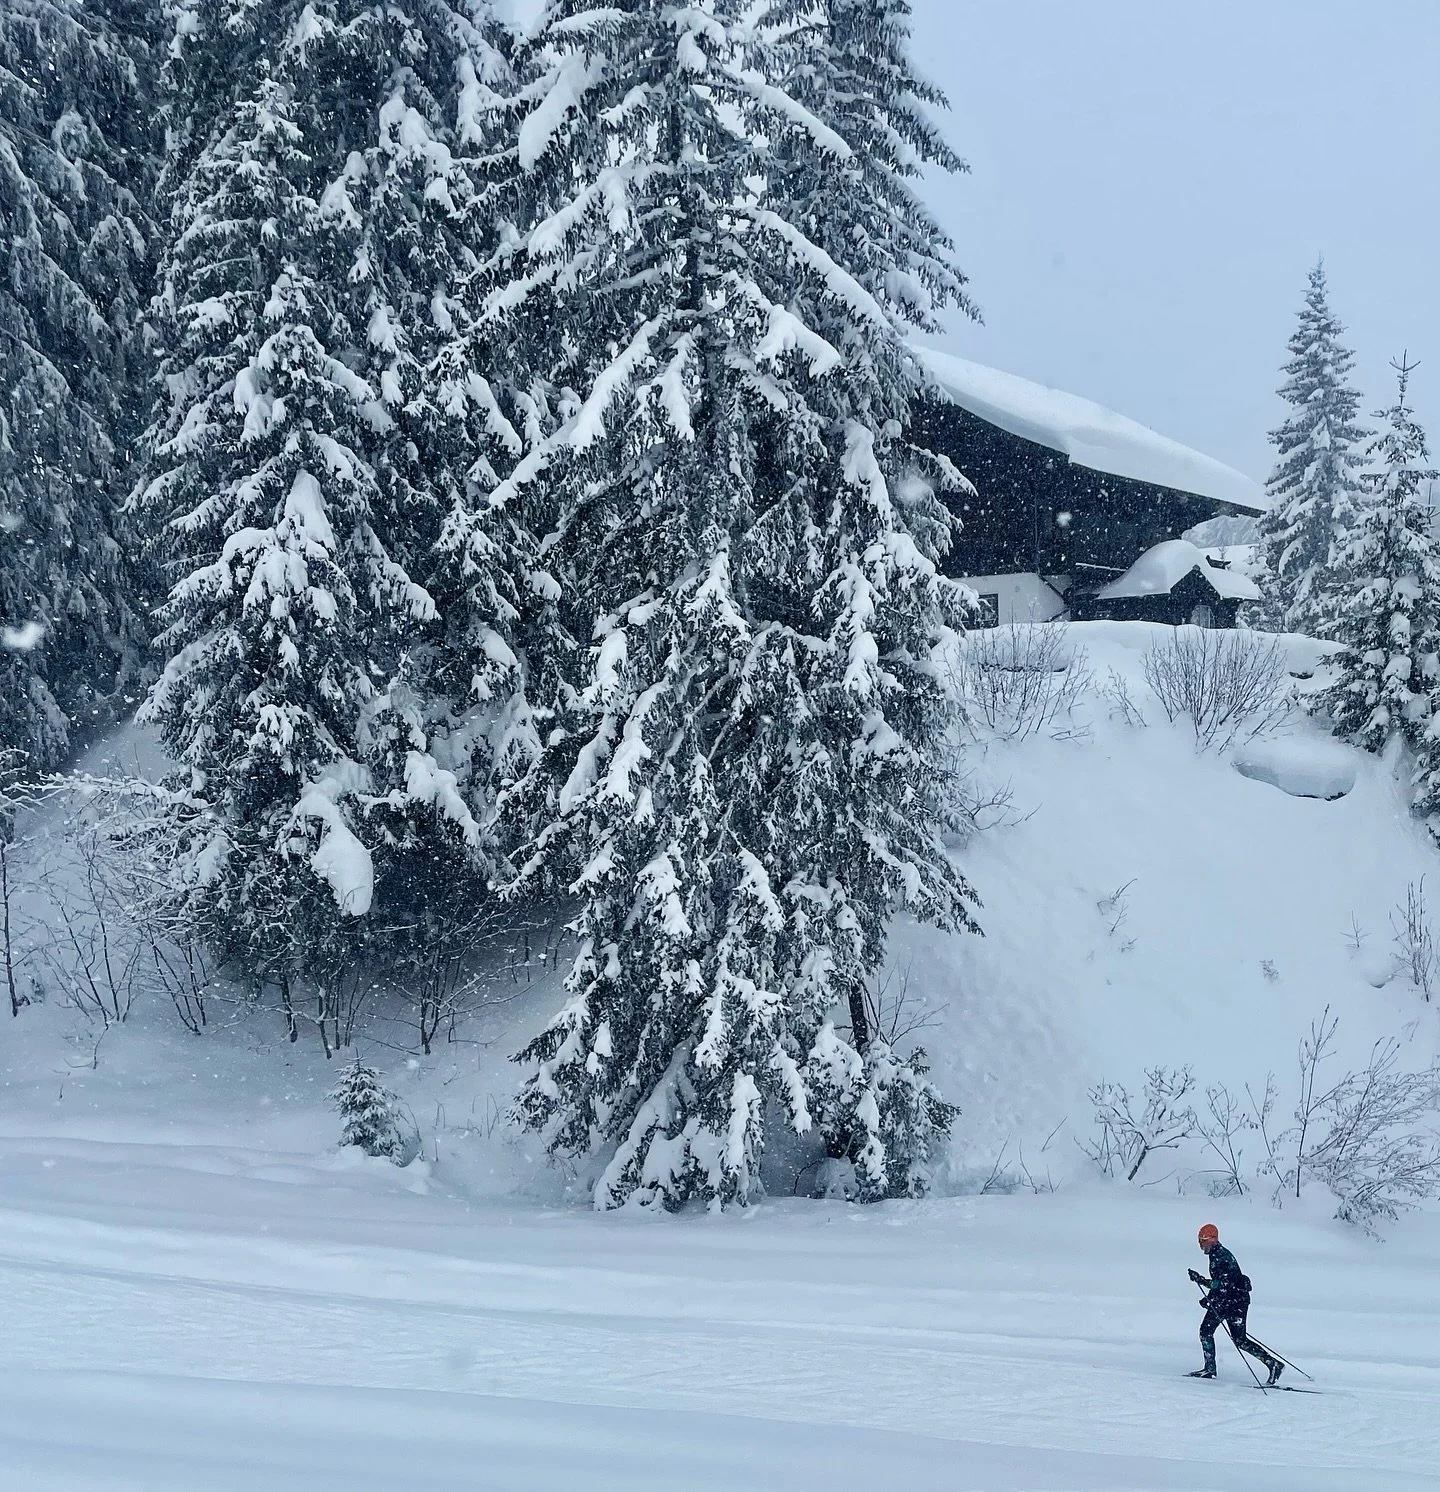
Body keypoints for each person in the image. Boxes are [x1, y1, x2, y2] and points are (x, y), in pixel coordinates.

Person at [1187, 1223, 1283, 1385]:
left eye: (1201, 1241)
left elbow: (1222, 1284)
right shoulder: (1218, 1255)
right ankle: (1273, 1364)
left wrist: (1201, 1281)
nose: (1200, 1245)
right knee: (1239, 1340)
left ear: (1210, 1240)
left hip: (1231, 1302)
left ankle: (1210, 1369)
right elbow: (1224, 1283)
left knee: (1206, 1331)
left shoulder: (1220, 1257)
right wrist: (1209, 1298)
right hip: (1235, 1301)